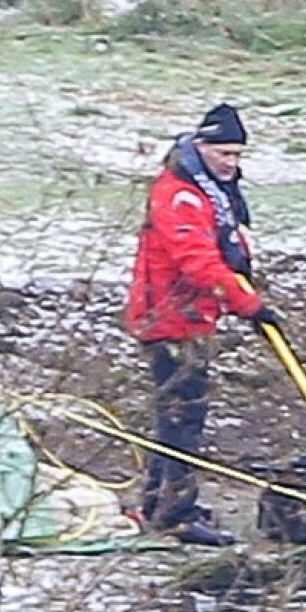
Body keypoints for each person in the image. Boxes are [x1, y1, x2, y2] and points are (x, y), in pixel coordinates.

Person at [123, 103, 281, 546]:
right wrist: (248, 304)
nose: (231, 164)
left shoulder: (209, 191)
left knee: (176, 415)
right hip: (169, 322)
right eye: (224, 154)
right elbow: (198, 263)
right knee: (182, 419)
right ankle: (175, 514)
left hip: (190, 320)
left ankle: (159, 502)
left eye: (237, 155)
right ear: (201, 147)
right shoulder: (180, 195)